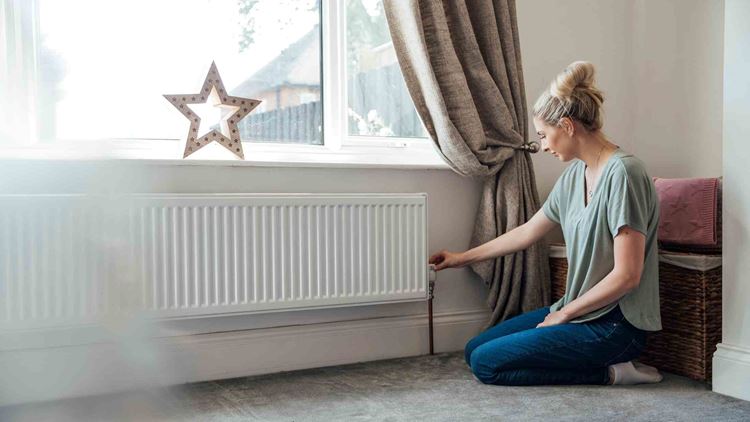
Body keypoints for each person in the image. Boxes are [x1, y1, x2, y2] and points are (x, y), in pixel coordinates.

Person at [429, 61, 663, 386]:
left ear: (566, 126)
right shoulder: (572, 177)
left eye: (544, 134)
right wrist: (460, 258)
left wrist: (563, 315)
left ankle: (613, 372)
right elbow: (528, 232)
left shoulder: (625, 174)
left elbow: (628, 275)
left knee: (486, 365)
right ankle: (598, 357)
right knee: (474, 350)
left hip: (614, 325)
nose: (544, 145)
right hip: (577, 310)